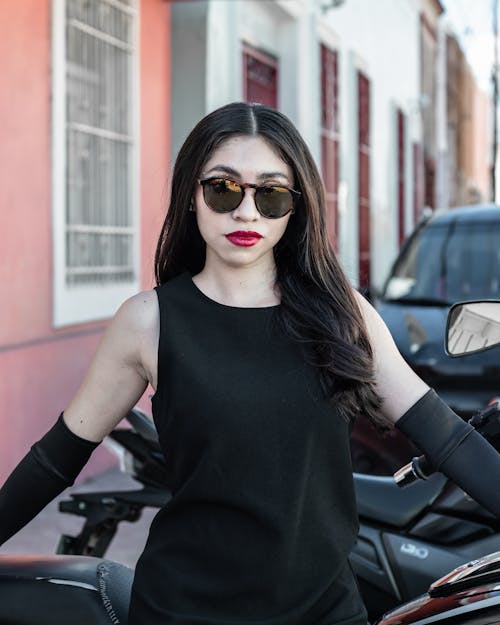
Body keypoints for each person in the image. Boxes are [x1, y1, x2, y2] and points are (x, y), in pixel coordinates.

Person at [1, 102, 500, 625]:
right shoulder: (149, 321)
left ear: (297, 205)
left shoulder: (342, 314)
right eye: (223, 189)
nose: (246, 213)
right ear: (192, 197)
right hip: (184, 612)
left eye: (271, 193)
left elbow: (449, 440)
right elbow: (55, 460)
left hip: (325, 614)